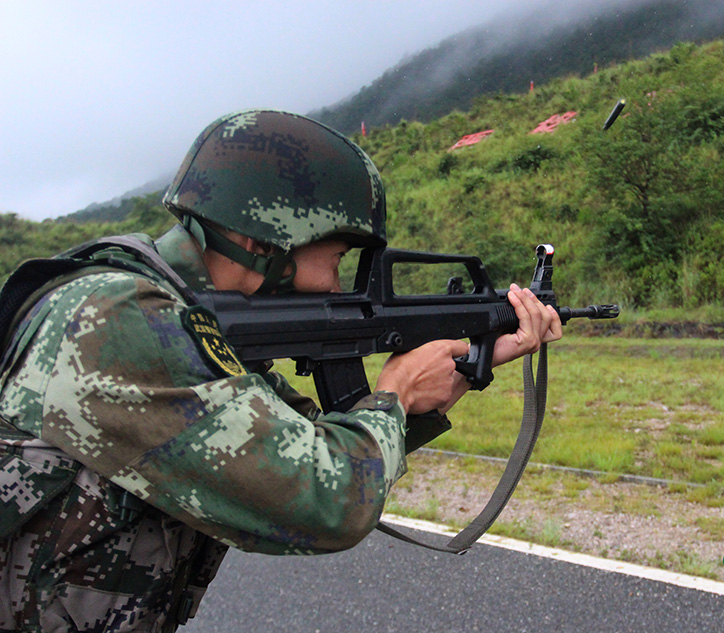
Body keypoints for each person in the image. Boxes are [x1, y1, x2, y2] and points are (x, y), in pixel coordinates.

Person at [0, 109, 562, 632]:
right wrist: (396, 391)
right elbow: (326, 498)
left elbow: (308, 443)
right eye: (337, 259)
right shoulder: (119, 321)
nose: (339, 287)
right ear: (263, 240)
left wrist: (444, 380)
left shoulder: (177, 318)